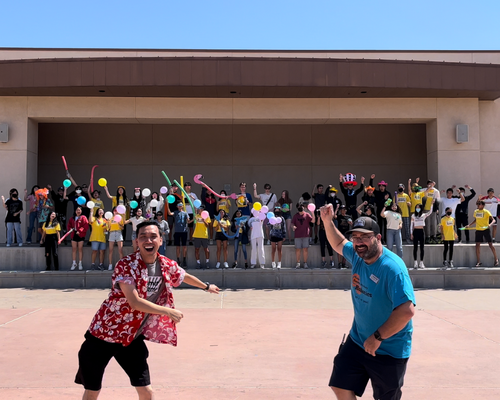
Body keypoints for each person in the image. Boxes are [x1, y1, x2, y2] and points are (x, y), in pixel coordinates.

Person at [74, 220, 220, 399]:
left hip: (131, 338)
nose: (148, 241)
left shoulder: (166, 264)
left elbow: (184, 275)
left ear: (161, 240)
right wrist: (167, 311)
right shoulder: (126, 265)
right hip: (102, 335)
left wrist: (206, 287)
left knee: (146, 391)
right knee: (92, 391)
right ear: (136, 241)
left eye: (153, 237)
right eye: (143, 237)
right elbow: (134, 302)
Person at [319, 208, 416, 400]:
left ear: (378, 238)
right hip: (358, 341)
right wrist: (327, 221)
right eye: (355, 237)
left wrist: (378, 337)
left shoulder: (392, 268)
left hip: (389, 349)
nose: (358, 242)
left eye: (364, 237)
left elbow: (406, 311)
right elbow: (339, 242)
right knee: (340, 385)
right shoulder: (358, 256)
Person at [467, 200, 499, 268]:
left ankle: (496, 259)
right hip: (478, 230)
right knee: (477, 245)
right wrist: (469, 225)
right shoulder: (476, 211)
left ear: (483, 205)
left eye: (479, 204)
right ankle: (478, 261)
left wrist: (490, 224)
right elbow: (476, 220)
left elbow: (494, 220)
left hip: (486, 230)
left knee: (491, 245)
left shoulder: (486, 212)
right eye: (477, 204)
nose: (478, 205)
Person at [291, 204, 315, 269]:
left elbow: (313, 221)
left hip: (305, 235)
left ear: (303, 207)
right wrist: (293, 226)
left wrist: (312, 213)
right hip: (297, 235)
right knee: (298, 249)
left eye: (301, 207)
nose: (300, 208)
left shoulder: (307, 215)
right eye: (299, 207)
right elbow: (292, 223)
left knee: (305, 249)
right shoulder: (295, 216)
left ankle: (305, 263)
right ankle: (298, 263)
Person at [410, 203, 432, 269]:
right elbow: (411, 225)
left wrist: (431, 204)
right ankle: (415, 262)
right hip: (415, 231)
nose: (417, 209)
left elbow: (430, 212)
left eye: (419, 207)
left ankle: (421, 263)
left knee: (422, 248)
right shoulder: (413, 215)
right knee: (415, 247)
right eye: (416, 207)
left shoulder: (423, 215)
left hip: (421, 231)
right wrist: (411, 233)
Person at [68, 206, 89, 270]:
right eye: (77, 210)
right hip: (73, 235)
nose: (78, 211)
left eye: (79, 210)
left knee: (80, 249)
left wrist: (80, 231)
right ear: (75, 211)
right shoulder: (72, 218)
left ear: (81, 211)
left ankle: (80, 263)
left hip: (80, 235)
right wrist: (70, 229)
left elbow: (86, 225)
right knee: (74, 249)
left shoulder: (83, 217)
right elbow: (69, 225)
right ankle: (74, 263)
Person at [423, 180, 440, 244]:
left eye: (431, 184)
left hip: (433, 209)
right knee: (427, 224)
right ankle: (428, 237)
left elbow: (438, 200)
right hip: (426, 209)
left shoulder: (436, 191)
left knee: (434, 223)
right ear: (427, 185)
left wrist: (437, 208)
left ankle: (434, 236)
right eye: (429, 184)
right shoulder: (424, 190)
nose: (430, 185)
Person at [173, 202, 191, 268]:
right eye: (179, 205)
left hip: (184, 231)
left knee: (184, 246)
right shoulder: (175, 212)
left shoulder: (185, 213)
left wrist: (193, 219)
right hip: (177, 231)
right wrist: (167, 204)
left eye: (181, 205)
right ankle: (178, 260)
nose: (180, 206)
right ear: (177, 206)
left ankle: (184, 260)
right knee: (177, 246)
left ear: (183, 206)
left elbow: (188, 221)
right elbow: (169, 213)